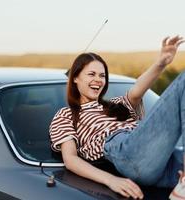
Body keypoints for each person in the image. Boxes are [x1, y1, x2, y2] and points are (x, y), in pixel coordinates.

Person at [49, 36, 184, 199]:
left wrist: (161, 62)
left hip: (158, 160)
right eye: (91, 74)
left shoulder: (116, 104)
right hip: (126, 153)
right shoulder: (66, 114)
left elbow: (138, 88)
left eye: (102, 75)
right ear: (75, 78)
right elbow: (70, 159)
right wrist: (111, 180)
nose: (98, 80)